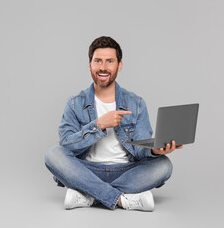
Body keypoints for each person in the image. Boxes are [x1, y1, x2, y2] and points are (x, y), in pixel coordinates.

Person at [44, 36, 182, 211]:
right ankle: (122, 200)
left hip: (126, 171)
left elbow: (140, 150)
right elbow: (67, 145)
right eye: (98, 61)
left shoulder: (136, 103)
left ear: (119, 65)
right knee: (53, 154)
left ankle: (89, 196)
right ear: (90, 65)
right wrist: (99, 125)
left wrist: (154, 150)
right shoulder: (74, 103)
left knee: (164, 165)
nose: (103, 67)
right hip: (87, 170)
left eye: (110, 61)